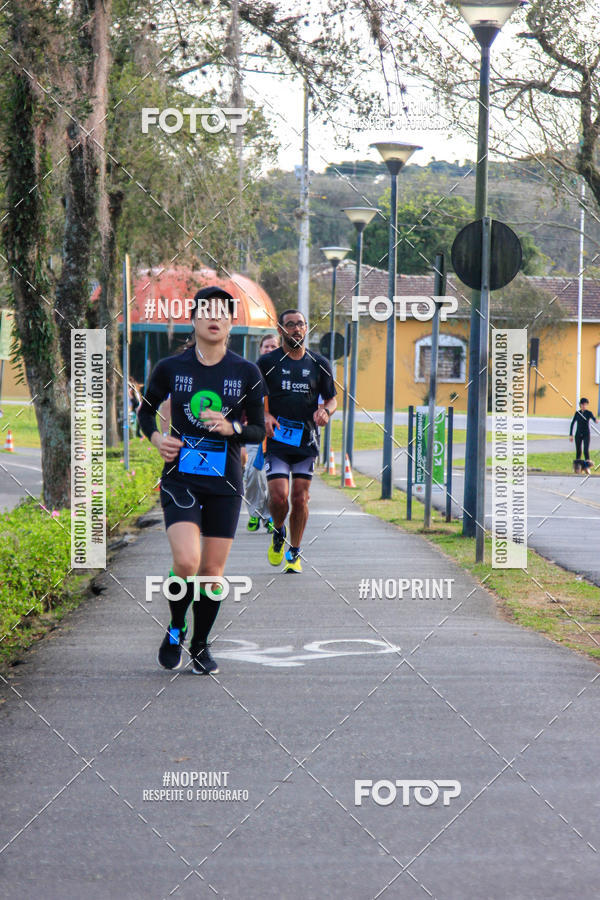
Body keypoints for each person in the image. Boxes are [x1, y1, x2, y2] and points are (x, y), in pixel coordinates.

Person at [137, 286, 265, 675]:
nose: (214, 318)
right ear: (193, 320)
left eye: (223, 313)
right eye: (206, 311)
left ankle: (200, 645)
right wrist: (158, 438)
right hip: (181, 479)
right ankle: (176, 625)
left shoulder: (246, 372)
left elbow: (258, 430)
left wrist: (232, 428)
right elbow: (145, 412)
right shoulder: (171, 368)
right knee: (187, 561)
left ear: (231, 323)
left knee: (212, 572)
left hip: (225, 483)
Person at [257, 309, 337, 574]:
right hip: (277, 440)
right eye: (290, 325)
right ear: (280, 330)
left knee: (300, 498)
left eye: (300, 324)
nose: (296, 329)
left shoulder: (319, 363)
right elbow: (251, 399)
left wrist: (325, 411)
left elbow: (332, 398)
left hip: (306, 440)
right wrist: (265, 415)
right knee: (279, 497)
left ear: (306, 328)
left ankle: (295, 551)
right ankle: (278, 531)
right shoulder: (267, 362)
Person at [244, 332, 279, 532]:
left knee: (272, 478)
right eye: (266, 346)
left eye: (274, 346)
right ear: (260, 350)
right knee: (252, 474)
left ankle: (269, 516)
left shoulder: (284, 373)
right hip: (254, 432)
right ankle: (256, 513)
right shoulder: (251, 373)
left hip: (276, 435)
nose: (269, 350)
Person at [569, 397, 597, 473]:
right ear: (580, 405)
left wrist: (595, 420)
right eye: (583, 404)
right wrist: (570, 434)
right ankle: (577, 468)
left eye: (585, 405)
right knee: (578, 451)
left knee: (585, 450)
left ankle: (587, 467)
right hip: (578, 434)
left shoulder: (588, 413)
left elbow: (593, 418)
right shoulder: (577, 413)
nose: (584, 406)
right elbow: (572, 423)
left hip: (586, 434)